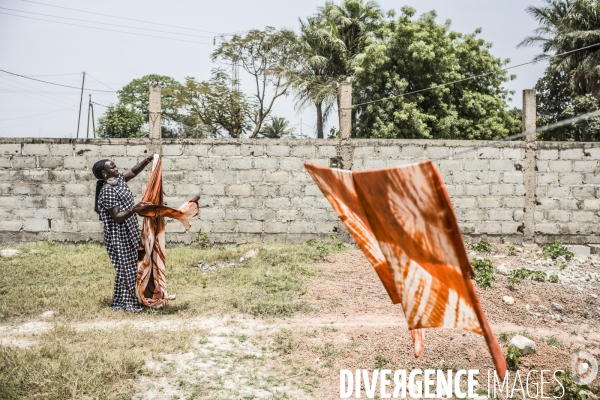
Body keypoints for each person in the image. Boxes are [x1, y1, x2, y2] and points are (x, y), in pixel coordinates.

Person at [92, 155, 154, 312]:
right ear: (104, 174)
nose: (116, 168)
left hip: (129, 231)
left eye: (115, 166)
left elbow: (133, 172)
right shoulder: (107, 191)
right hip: (118, 235)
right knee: (127, 270)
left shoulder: (118, 180)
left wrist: (148, 160)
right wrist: (135, 209)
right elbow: (117, 217)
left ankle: (120, 303)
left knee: (127, 268)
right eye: (112, 167)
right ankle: (129, 304)